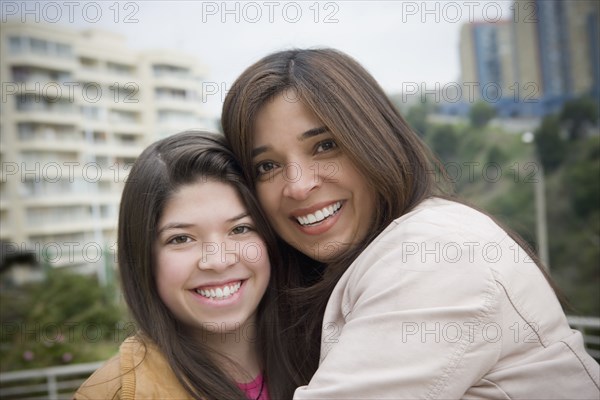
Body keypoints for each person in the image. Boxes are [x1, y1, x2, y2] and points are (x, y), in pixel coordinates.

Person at [222, 48, 600, 399]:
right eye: (267, 166)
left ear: (375, 140)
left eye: (325, 146)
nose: (299, 186)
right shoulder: (351, 270)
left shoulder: (434, 254)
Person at [74, 131, 300, 399]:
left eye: (240, 229)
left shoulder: (328, 355)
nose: (218, 261)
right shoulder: (114, 393)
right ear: (143, 258)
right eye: (181, 238)